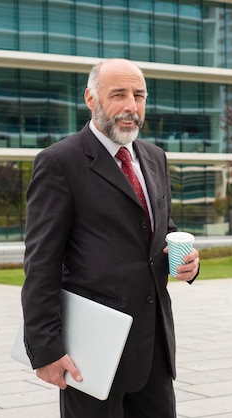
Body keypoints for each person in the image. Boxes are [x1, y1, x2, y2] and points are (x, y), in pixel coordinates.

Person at [21, 58, 200, 418]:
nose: (131, 107)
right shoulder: (59, 162)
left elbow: (162, 231)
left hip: (154, 349)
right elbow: (41, 264)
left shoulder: (155, 157)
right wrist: (45, 350)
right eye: (118, 95)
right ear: (91, 98)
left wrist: (188, 261)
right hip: (91, 350)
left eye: (139, 95)